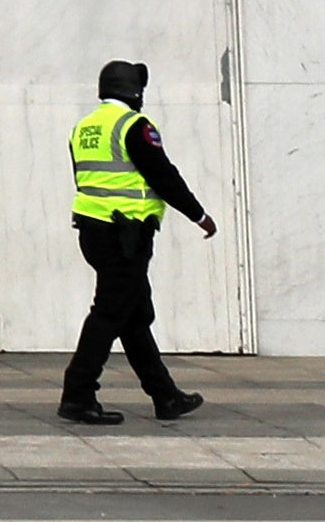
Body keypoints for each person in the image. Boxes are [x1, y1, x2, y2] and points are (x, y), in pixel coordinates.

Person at [58, 53, 217, 424]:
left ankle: (165, 396)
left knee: (133, 314)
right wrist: (199, 215)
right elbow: (163, 175)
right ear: (133, 92)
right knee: (110, 313)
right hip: (125, 232)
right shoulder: (133, 125)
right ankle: (77, 395)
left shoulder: (85, 127)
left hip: (93, 229)